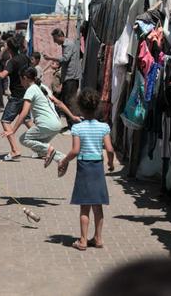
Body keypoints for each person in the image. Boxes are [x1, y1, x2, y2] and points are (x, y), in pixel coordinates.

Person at [58, 88, 115, 251]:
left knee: (85, 206)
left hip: (84, 168)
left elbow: (75, 151)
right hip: (97, 167)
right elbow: (110, 149)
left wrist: (64, 160)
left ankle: (83, 240)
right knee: (98, 205)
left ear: (80, 108)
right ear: (97, 107)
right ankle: (98, 238)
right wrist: (110, 163)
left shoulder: (77, 128)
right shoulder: (104, 127)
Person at [2, 67, 82, 167]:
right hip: (57, 124)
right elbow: (59, 103)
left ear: (25, 78)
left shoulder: (31, 90)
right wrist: (72, 116)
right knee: (39, 146)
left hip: (46, 124)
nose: (20, 83)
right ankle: (61, 159)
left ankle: (49, 150)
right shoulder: (43, 87)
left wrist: (13, 130)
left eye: (20, 79)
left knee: (24, 139)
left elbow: (24, 112)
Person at [0, 34, 31, 161]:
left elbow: (3, 75)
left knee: (5, 121)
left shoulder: (12, 62)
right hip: (27, 94)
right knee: (28, 121)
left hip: (16, 97)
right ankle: (45, 148)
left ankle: (15, 150)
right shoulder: (25, 58)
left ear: (9, 48)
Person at [44, 28, 82, 128]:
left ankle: (74, 125)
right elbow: (66, 61)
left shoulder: (68, 45)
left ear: (59, 36)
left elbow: (65, 59)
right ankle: (71, 125)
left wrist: (50, 57)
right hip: (68, 77)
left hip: (71, 77)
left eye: (55, 39)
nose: (54, 41)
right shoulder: (66, 45)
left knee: (69, 102)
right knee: (66, 101)